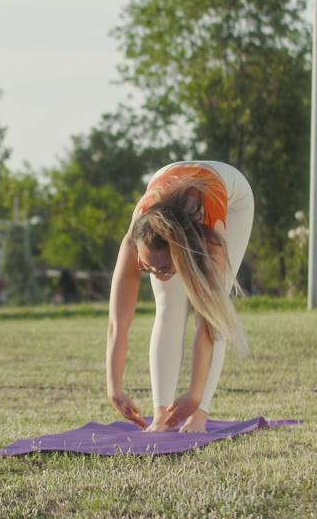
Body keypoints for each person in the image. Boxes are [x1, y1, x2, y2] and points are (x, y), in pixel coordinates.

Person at [105, 161, 254, 434]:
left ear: (183, 253)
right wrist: (113, 388)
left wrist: (195, 397)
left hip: (233, 192)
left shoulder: (211, 241)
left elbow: (208, 324)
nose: (156, 275)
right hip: (169, 176)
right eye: (147, 268)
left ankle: (199, 417)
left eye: (164, 268)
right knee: (167, 305)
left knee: (213, 309)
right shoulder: (134, 238)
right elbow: (118, 322)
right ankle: (161, 415)